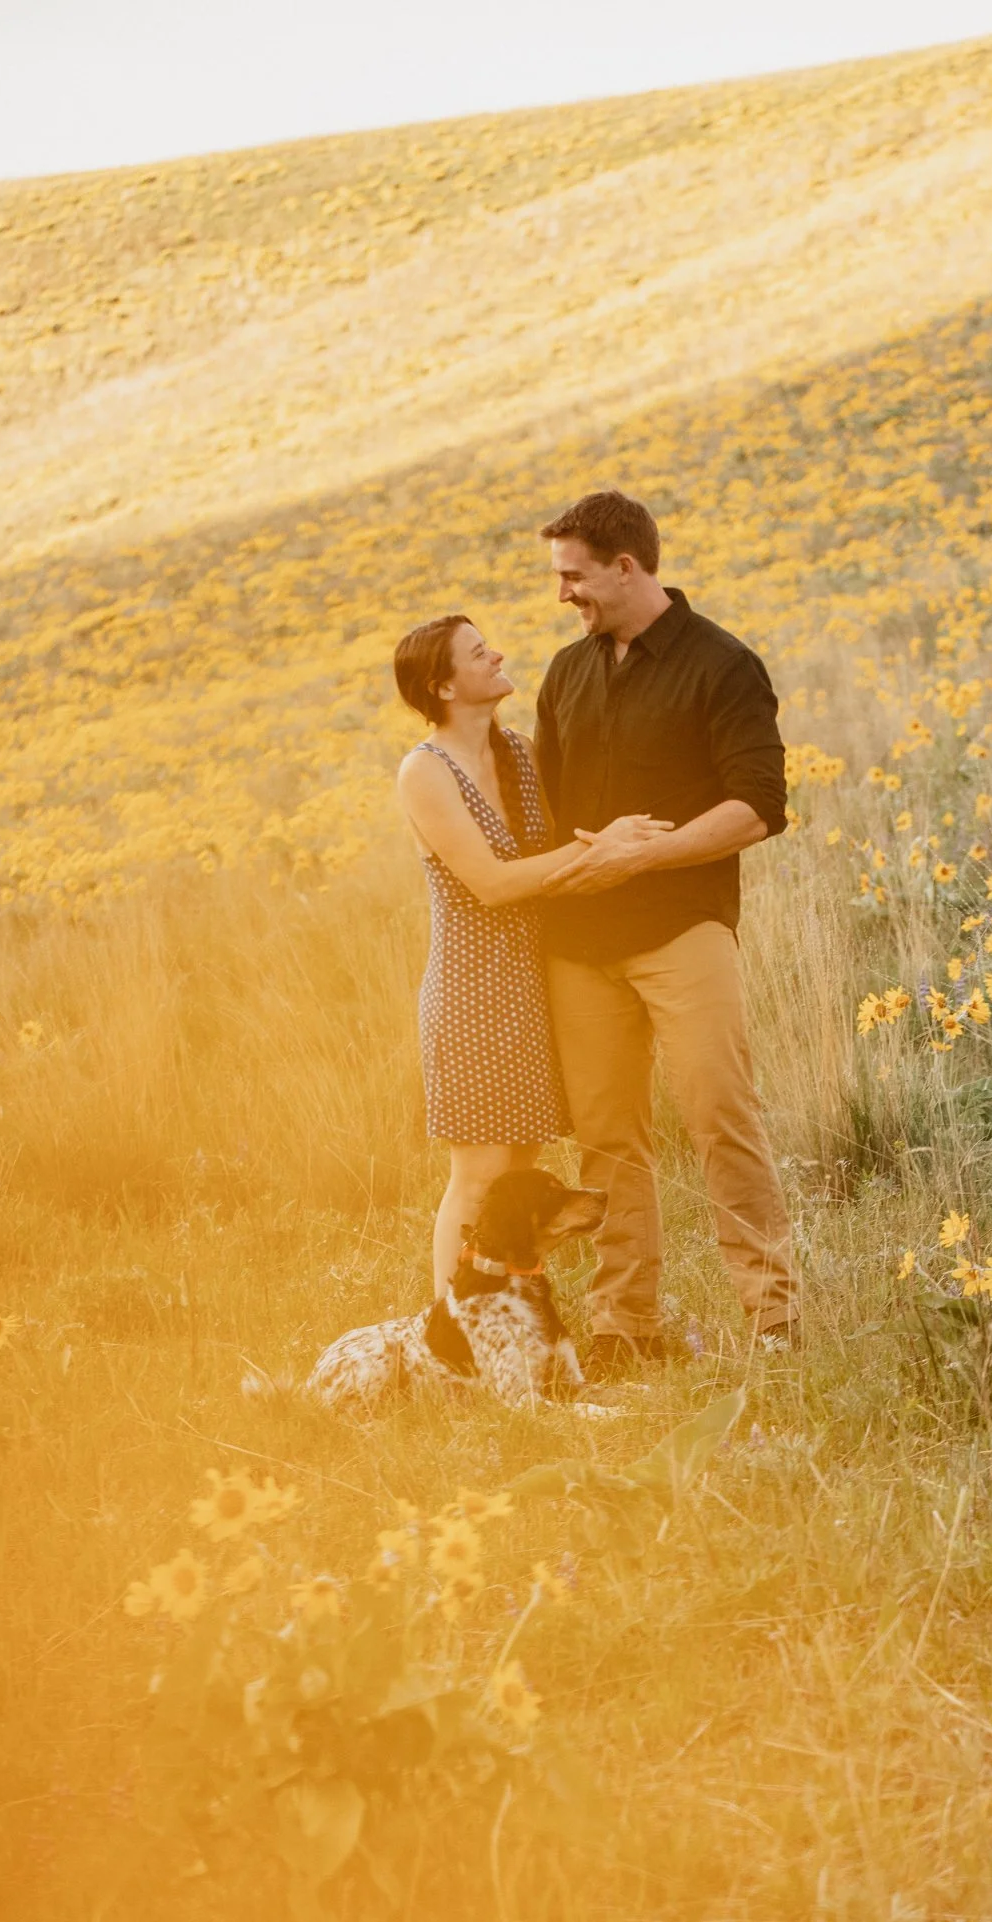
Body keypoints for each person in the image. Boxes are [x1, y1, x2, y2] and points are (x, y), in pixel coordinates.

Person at [533, 490, 800, 1371]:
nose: (563, 594)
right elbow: (549, 811)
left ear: (626, 566)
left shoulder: (723, 665)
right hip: (579, 948)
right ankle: (624, 1324)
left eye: (574, 576)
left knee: (721, 1118)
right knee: (607, 1140)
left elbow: (758, 806)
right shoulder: (564, 674)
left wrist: (643, 859)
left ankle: (772, 1317)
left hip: (683, 929)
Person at [391, 613, 667, 1294]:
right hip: (472, 991)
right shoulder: (425, 770)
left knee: (518, 1171)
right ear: (443, 686)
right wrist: (599, 848)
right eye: (479, 652)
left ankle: (506, 1318)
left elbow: (559, 846)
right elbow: (490, 883)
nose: (498, 655)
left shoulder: (519, 752)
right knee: (478, 1175)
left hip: (535, 986)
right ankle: (452, 1324)